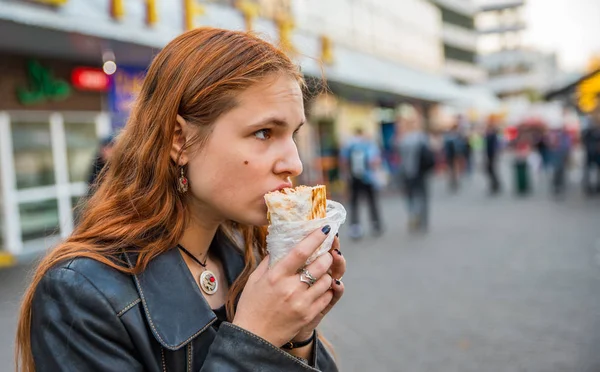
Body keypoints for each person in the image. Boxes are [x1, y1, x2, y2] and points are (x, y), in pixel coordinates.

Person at [16, 28, 344, 372]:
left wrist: (297, 334)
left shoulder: (248, 261)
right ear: (180, 140)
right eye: (264, 133)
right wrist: (255, 338)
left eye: (293, 134)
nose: (294, 163)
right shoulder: (81, 294)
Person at [340, 128, 383, 239]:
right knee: (372, 201)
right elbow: (376, 161)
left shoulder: (349, 145)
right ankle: (375, 224)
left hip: (354, 178)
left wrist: (345, 176)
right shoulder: (369, 145)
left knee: (354, 203)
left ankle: (355, 226)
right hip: (368, 178)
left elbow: (344, 161)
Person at [397, 114, 434, 233]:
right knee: (422, 196)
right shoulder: (422, 137)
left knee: (410, 196)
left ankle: (413, 214)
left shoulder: (403, 139)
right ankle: (422, 219)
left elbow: (398, 154)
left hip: (407, 172)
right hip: (420, 172)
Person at [484, 119, 502, 195]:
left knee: (491, 170)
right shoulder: (490, 135)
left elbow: (494, 146)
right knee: (490, 170)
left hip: (492, 155)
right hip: (489, 155)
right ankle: (495, 184)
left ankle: (495, 184)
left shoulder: (493, 136)